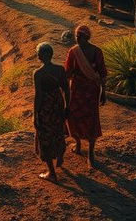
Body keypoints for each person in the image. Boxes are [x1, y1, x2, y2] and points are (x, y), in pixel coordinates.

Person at [65, 24, 107, 169]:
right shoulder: (75, 51)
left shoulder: (94, 52)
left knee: (91, 119)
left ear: (86, 37)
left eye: (79, 37)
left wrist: (103, 93)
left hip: (88, 91)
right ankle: (78, 144)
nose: (77, 39)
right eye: (76, 37)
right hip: (79, 91)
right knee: (74, 117)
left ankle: (90, 153)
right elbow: (68, 72)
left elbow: (102, 74)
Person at [33, 42, 69, 183]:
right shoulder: (60, 70)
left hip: (46, 108)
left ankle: (52, 173)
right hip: (58, 104)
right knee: (58, 131)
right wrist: (67, 106)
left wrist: (35, 115)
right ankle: (60, 155)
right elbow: (67, 89)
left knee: (44, 136)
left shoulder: (38, 73)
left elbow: (39, 96)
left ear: (39, 56)